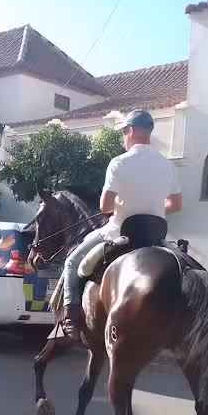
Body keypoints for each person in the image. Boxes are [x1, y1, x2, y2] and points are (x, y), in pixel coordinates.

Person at [60, 109, 183, 340]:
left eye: (125, 131)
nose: (124, 136)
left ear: (132, 131)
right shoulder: (167, 165)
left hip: (119, 231)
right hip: (155, 236)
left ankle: (70, 319)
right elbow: (176, 205)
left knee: (71, 262)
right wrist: (153, 205)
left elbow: (105, 207)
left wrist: (122, 204)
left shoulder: (119, 163)